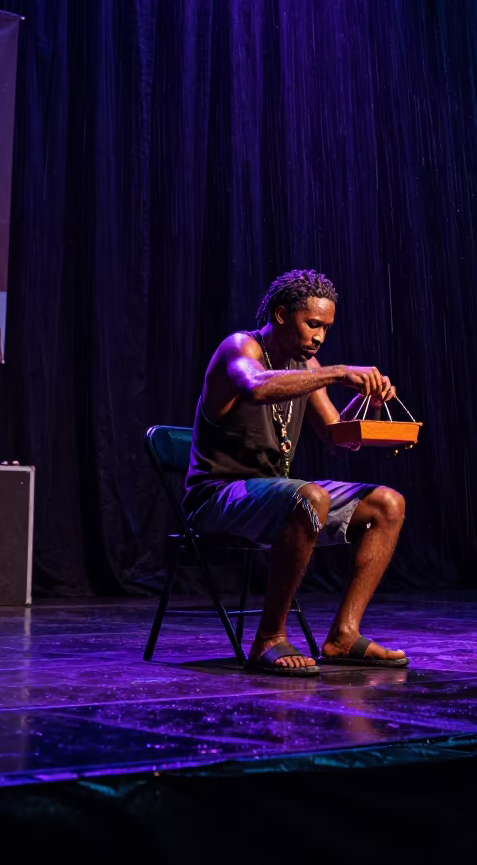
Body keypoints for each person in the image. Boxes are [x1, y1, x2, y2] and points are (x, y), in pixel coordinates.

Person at [183, 269, 408, 677]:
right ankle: (269, 638)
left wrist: (372, 402)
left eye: (326, 328)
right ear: (283, 315)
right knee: (309, 496)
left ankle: (343, 635)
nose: (320, 336)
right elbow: (254, 386)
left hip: (279, 494)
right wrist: (338, 373)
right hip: (216, 496)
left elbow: (338, 437)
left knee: (388, 504)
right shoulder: (240, 347)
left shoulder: (307, 365)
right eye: (313, 324)